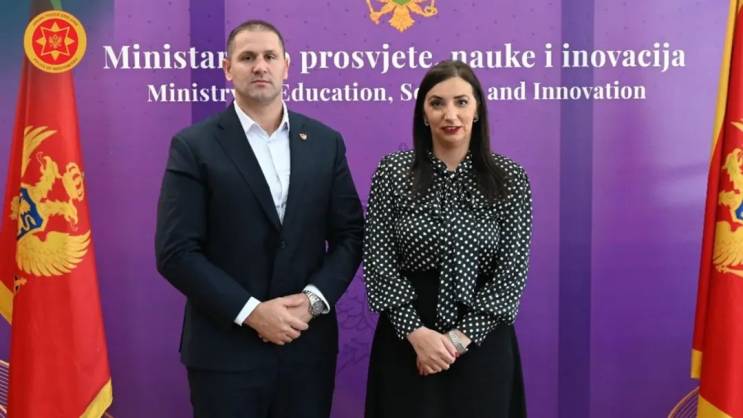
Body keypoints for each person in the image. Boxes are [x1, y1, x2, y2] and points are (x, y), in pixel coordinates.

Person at [155, 20, 363, 418]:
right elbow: (176, 251)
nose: (260, 66)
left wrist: (312, 302)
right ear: (227, 68)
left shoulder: (325, 142)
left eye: (270, 56)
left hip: (306, 350)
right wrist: (252, 312)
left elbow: (351, 235)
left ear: (287, 66)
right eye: (247, 57)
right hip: (224, 354)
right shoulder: (193, 146)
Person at [363, 60, 532, 418]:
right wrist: (417, 335)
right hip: (407, 338)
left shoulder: (510, 178)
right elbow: (379, 264)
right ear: (423, 114)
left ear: (477, 110)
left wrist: (455, 341)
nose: (450, 114)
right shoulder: (393, 172)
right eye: (437, 103)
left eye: (461, 102)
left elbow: (511, 276)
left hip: (482, 339)